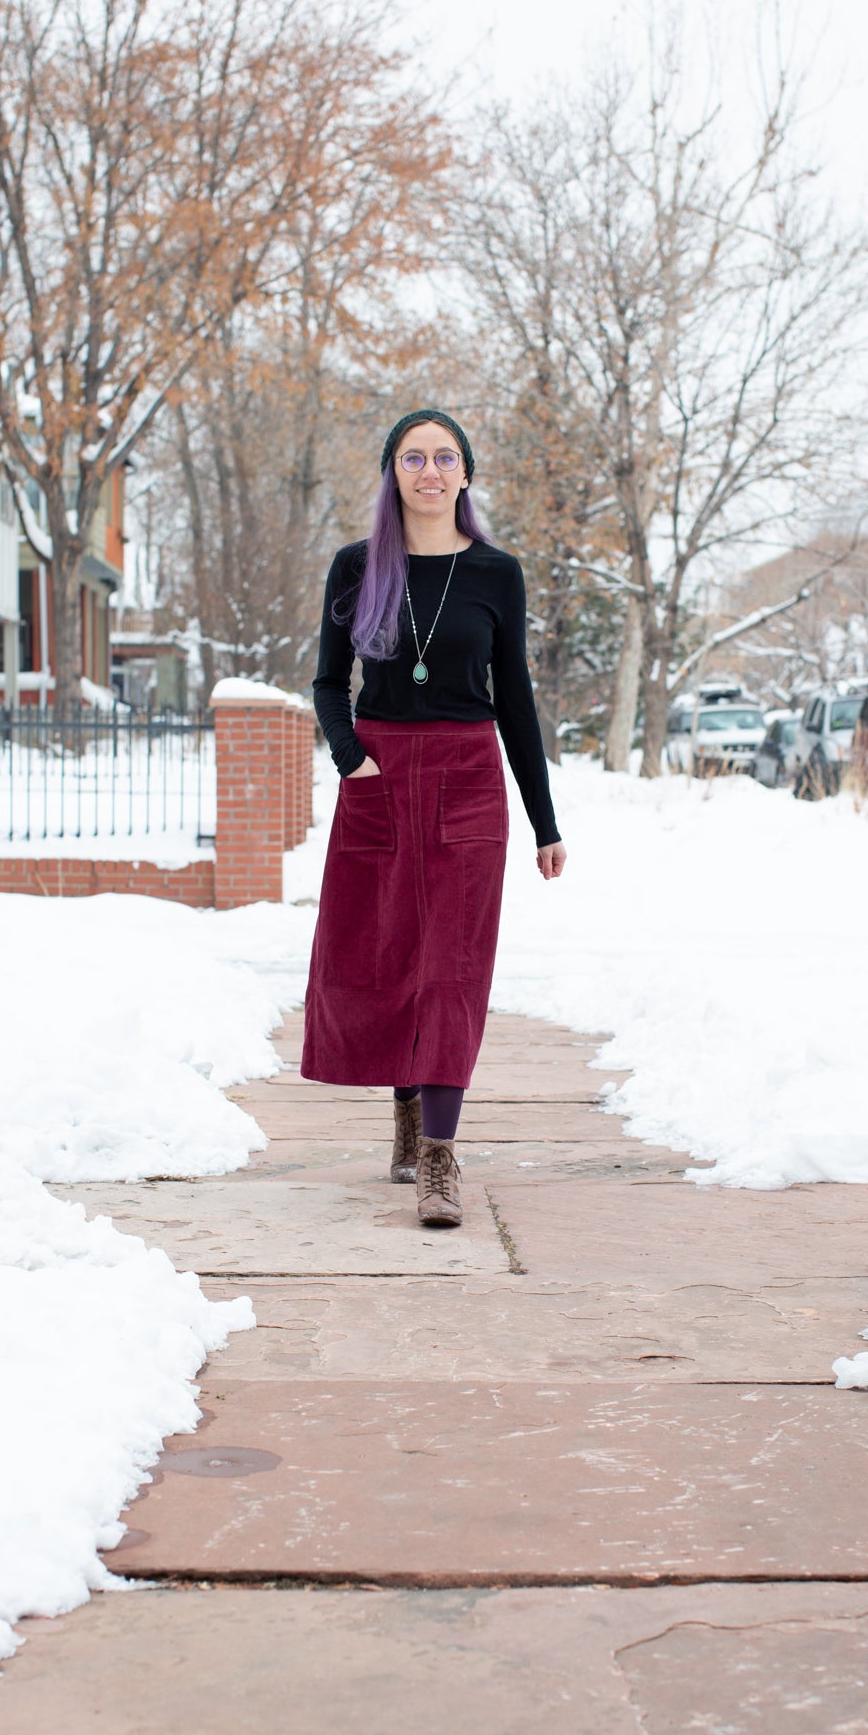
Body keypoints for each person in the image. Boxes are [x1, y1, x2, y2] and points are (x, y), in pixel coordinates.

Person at [303, 408, 567, 1228]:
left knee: (452, 964)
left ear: (465, 474)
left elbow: (515, 701)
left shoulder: (496, 572)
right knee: (388, 956)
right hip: (381, 774)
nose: (429, 471)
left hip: (467, 776)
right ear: (392, 474)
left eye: (443, 457)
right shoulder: (356, 568)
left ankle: (439, 1156)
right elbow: (326, 683)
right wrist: (354, 759)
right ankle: (408, 1110)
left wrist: (544, 823)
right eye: (413, 458)